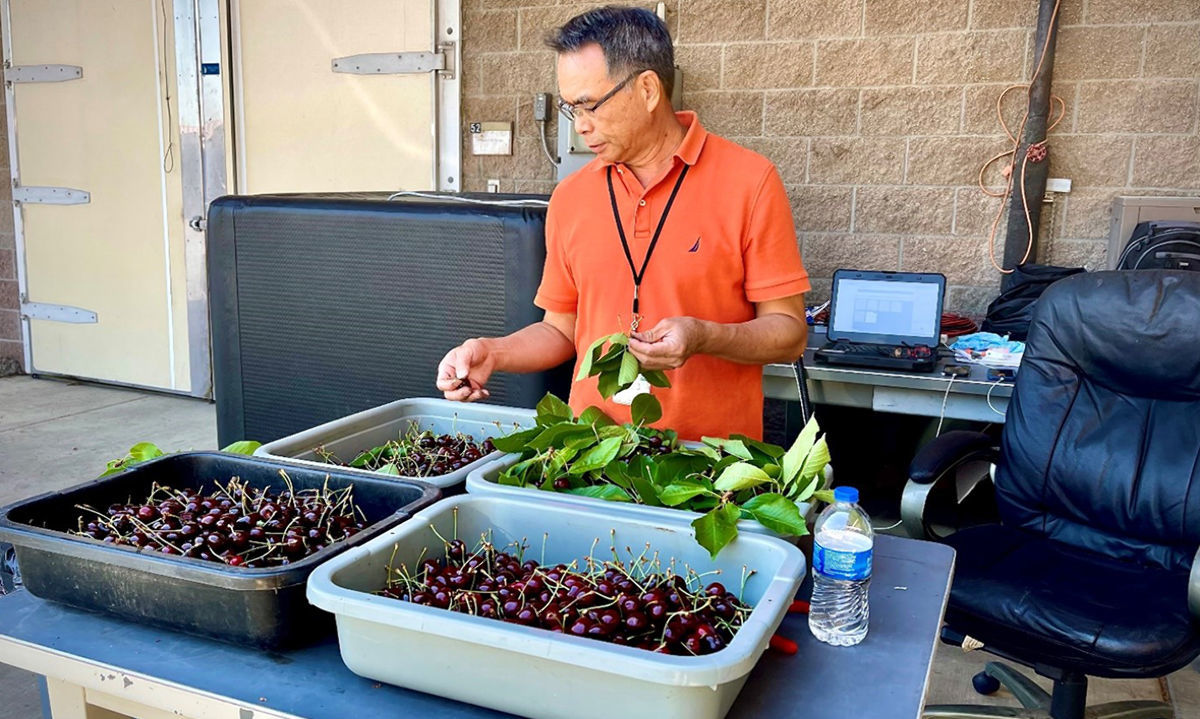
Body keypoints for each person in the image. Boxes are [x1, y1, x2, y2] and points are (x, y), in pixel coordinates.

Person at [436, 5, 809, 440]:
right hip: (589, 460)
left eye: (590, 105)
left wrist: (704, 336)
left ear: (648, 89)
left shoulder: (750, 181)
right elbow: (560, 329)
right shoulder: (571, 197)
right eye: (570, 108)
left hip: (710, 471)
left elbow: (789, 333)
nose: (581, 128)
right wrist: (491, 352)